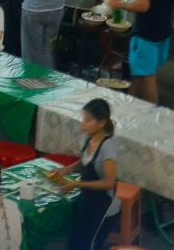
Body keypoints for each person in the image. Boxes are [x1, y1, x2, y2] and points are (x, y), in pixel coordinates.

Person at [49, 98, 120, 250]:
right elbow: (84, 163)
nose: (83, 123)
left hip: (104, 207)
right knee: (74, 240)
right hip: (87, 199)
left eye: (88, 120)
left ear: (101, 123)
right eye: (83, 118)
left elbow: (109, 183)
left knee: (88, 245)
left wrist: (76, 184)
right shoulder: (88, 138)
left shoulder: (108, 148)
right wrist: (65, 170)